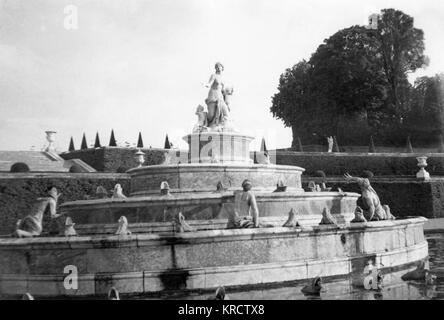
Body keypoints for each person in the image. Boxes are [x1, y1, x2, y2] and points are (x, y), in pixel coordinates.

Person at [205, 62, 230, 129]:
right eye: (216, 67)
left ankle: (224, 126)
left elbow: (223, 90)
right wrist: (207, 85)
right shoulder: (213, 75)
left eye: (219, 66)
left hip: (220, 97)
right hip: (213, 95)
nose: (218, 68)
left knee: (226, 112)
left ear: (222, 68)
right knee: (211, 114)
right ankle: (204, 122)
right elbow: (210, 83)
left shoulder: (223, 79)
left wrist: (228, 94)